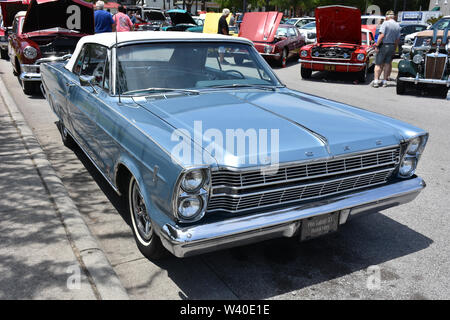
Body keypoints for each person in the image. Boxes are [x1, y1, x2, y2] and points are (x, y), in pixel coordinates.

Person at [372, 10, 400, 88]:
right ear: (393, 16)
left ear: (387, 16)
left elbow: (382, 35)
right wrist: (394, 49)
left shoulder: (385, 23)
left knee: (378, 64)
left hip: (384, 45)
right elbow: (397, 40)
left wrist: (377, 45)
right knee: (387, 64)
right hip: (392, 46)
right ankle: (384, 81)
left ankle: (376, 81)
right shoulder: (397, 25)